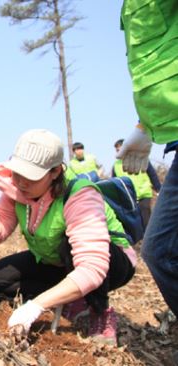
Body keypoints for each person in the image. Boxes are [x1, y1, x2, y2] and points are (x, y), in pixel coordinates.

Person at [0, 129, 136, 346]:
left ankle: (100, 313)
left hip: (110, 263)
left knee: (68, 245)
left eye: (31, 176)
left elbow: (93, 267)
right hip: (57, 260)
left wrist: (35, 306)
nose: (21, 182)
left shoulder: (79, 195)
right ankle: (71, 299)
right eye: (17, 173)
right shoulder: (17, 189)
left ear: (55, 171)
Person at [119, 0, 178, 318]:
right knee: (160, 252)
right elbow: (156, 70)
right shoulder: (130, 7)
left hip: (143, 195)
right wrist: (146, 125)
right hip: (173, 138)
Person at [112, 138, 161, 226]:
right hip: (128, 197)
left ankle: (148, 238)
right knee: (135, 223)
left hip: (143, 194)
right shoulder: (116, 165)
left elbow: (151, 173)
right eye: (117, 150)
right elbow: (114, 182)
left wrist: (158, 189)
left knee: (146, 220)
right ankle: (139, 239)